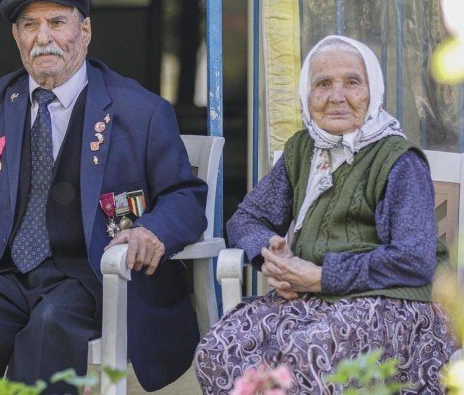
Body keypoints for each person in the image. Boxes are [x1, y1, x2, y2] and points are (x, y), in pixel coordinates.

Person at [0, 0, 208, 394]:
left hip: (93, 277)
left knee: (50, 327)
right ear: (16, 36)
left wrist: (150, 230)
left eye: (57, 22)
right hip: (10, 271)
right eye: (30, 26)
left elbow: (184, 195)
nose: (43, 37)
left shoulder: (140, 109)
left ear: (83, 32)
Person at [195, 35, 456, 394]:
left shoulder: (399, 159)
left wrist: (320, 277)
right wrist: (272, 255)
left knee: (306, 353)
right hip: (312, 299)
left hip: (393, 303)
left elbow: (414, 260)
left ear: (372, 91)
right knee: (218, 349)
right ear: (307, 95)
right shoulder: (303, 148)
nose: (337, 96)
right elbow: (245, 219)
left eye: (351, 82)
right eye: (322, 84)